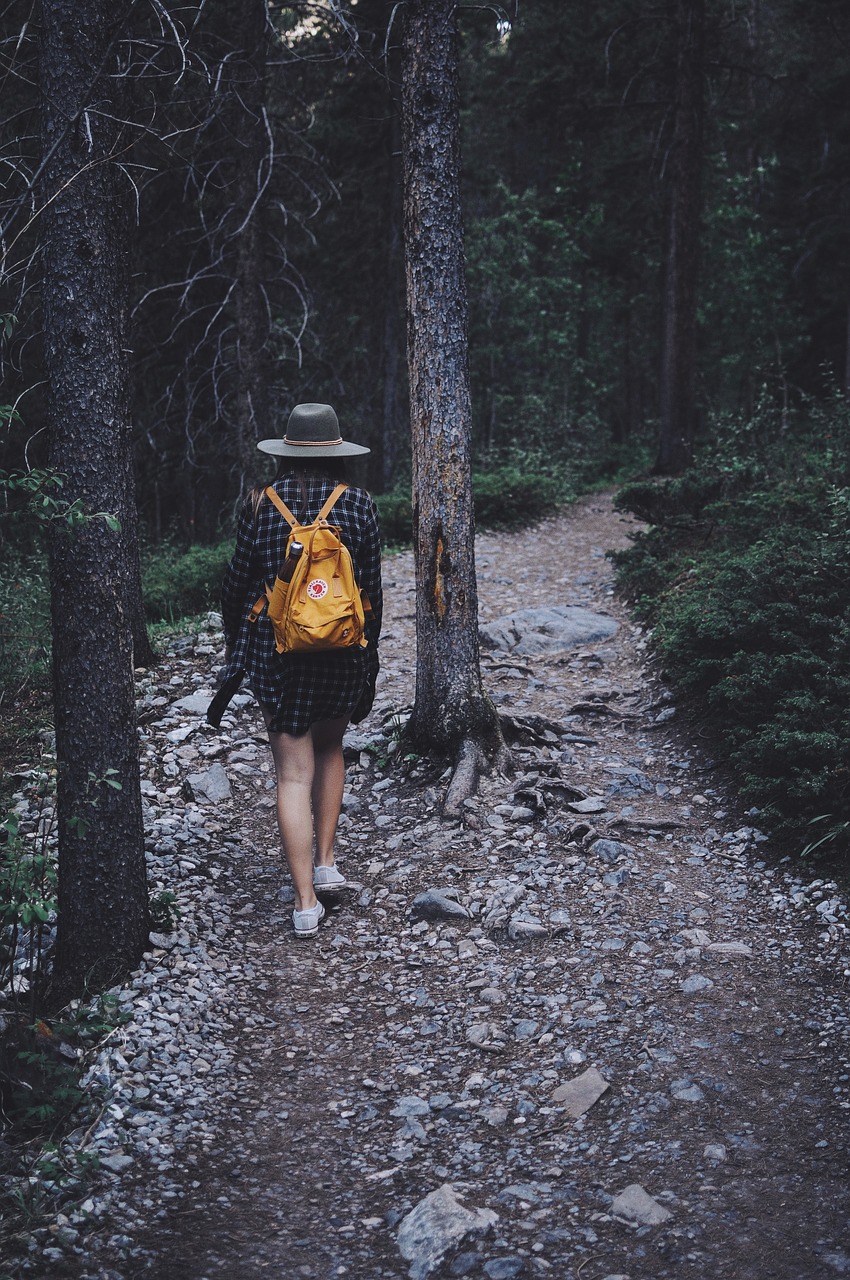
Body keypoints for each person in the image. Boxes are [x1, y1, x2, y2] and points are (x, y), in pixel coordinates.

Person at [220, 403, 382, 939]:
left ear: (285, 451)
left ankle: (305, 904)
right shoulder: (358, 504)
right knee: (331, 748)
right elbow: (372, 594)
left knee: (292, 773)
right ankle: (327, 861)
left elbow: (238, 585)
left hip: (278, 655)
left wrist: (234, 648)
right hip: (342, 650)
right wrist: (370, 655)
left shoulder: (259, 505)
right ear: (337, 453)